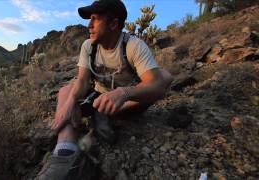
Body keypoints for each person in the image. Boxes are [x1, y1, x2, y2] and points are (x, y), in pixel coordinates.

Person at [36, 0, 173, 179]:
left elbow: (157, 88)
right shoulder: (88, 46)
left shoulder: (133, 46)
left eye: (94, 19)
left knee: (164, 77)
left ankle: (105, 114)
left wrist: (124, 93)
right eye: (89, 20)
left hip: (127, 100)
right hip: (98, 96)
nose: (89, 25)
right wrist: (70, 104)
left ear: (113, 24)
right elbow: (83, 81)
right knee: (65, 92)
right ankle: (65, 151)